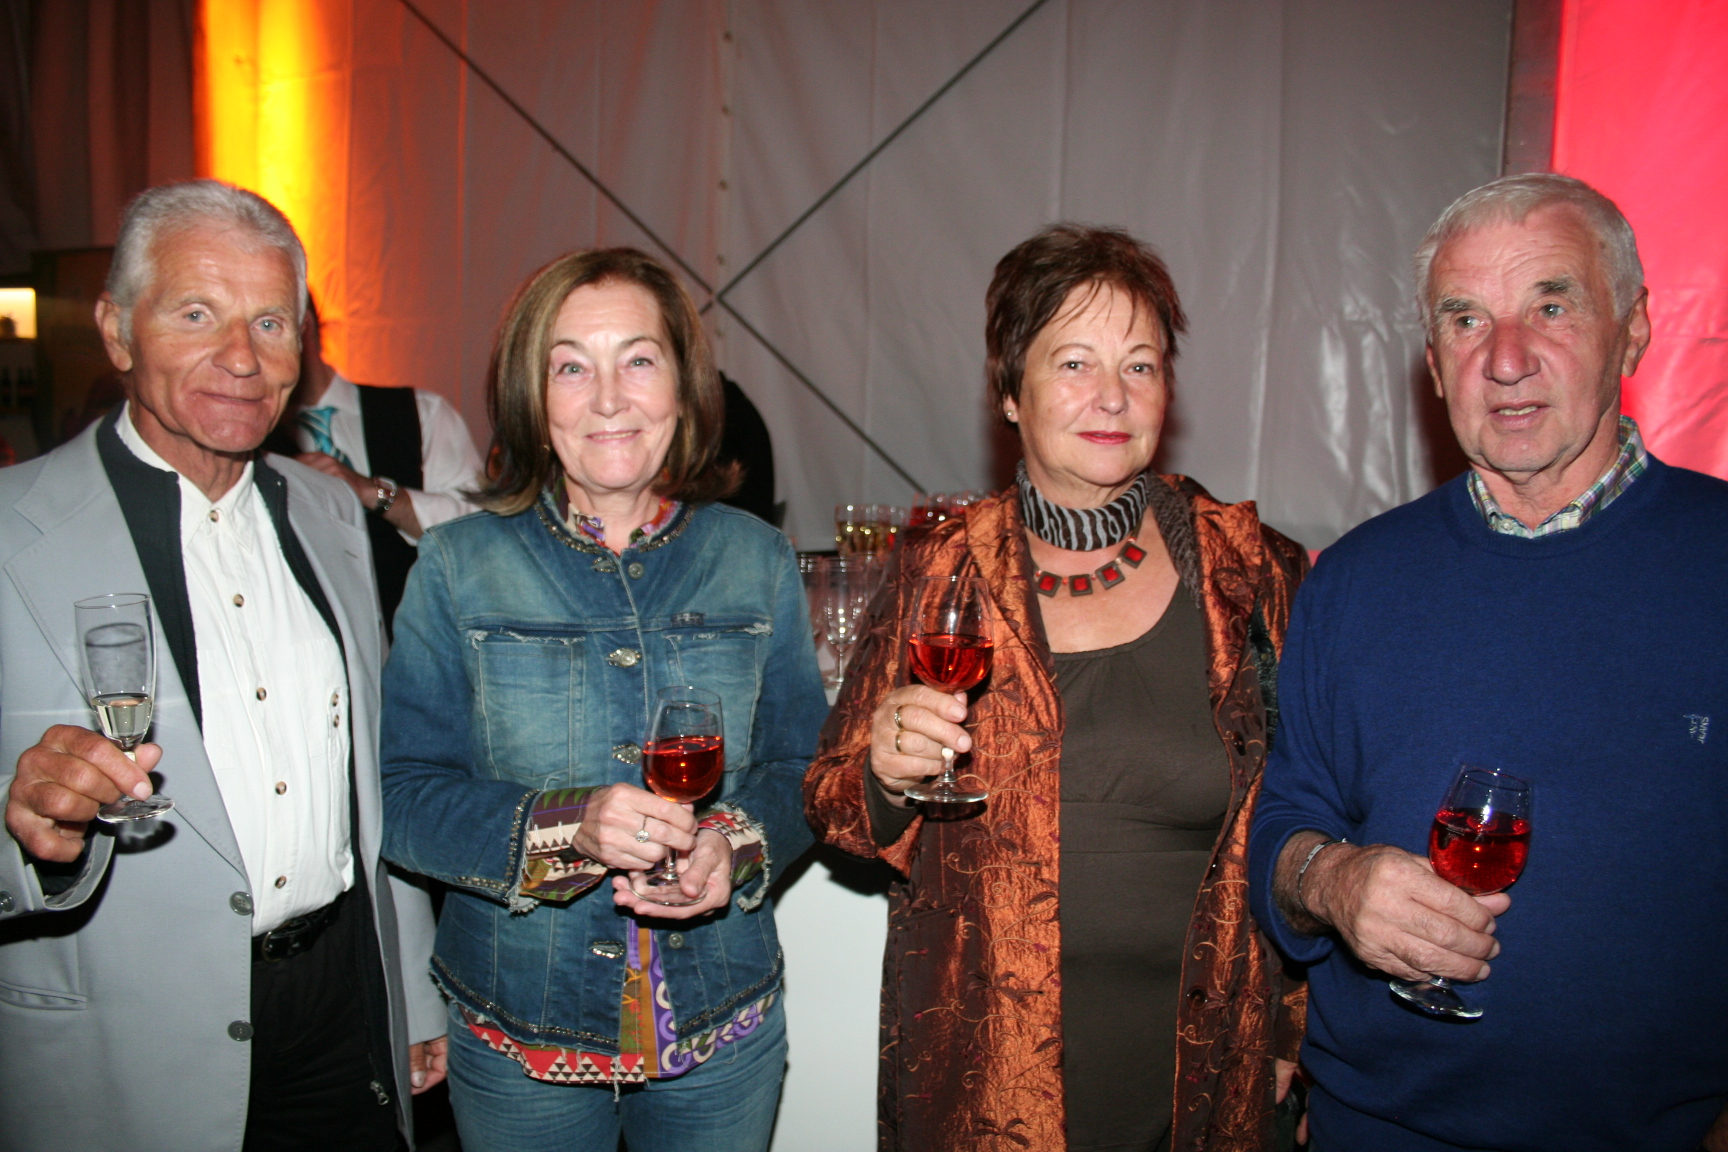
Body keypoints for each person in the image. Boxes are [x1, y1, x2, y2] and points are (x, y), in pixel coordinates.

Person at [1247, 173, 1728, 1151]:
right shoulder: (1353, 580)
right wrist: (1333, 881)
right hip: (1374, 1132)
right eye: (1466, 320)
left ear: (1633, 329)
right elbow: (1283, 829)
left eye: (1551, 306)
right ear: (1433, 365)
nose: (1506, 360)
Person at [805, 224, 1310, 1152]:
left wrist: (1294, 1026)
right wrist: (882, 771)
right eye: (1074, 362)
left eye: (1140, 365)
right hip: (988, 1067)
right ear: (1010, 390)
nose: (1113, 396)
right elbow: (834, 809)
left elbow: (1311, 808)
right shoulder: (942, 567)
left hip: (1206, 1070)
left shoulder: (1249, 570)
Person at [0, 179, 446, 1150]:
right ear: (118, 332)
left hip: (340, 1008)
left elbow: (371, 775)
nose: (242, 357)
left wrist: (412, 985)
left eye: (271, 322)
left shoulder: (329, 513)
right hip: (127, 1048)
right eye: (197, 313)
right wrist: (20, 828)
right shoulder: (10, 532)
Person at [378, 246, 826, 1152]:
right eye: (572, 367)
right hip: (520, 1035)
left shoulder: (756, 557)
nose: (610, 399)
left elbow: (804, 768)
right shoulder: (457, 566)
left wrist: (733, 843)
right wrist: (563, 829)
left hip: (720, 1026)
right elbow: (404, 800)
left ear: (684, 388)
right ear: (532, 400)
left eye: (639, 360)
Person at [278, 295, 485, 634]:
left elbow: (480, 533)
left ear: (305, 325)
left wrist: (371, 493)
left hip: (421, 644)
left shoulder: (420, 413)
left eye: (268, 325)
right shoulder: (248, 446)